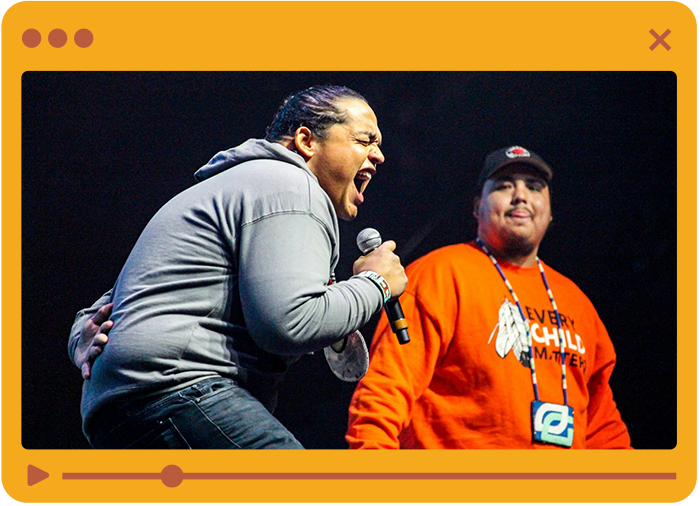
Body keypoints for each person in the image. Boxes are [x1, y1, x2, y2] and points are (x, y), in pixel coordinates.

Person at [67, 85, 407, 449]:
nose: (379, 155)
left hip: (122, 408)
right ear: (307, 141)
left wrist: (80, 337)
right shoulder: (289, 184)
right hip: (177, 391)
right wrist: (376, 283)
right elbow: (290, 322)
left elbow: (117, 299)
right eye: (364, 140)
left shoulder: (236, 185)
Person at [346, 145, 632, 449]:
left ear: (550, 213)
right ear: (477, 206)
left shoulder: (577, 302)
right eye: (504, 186)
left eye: (534, 187)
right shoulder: (440, 273)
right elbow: (385, 389)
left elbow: (604, 429)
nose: (520, 195)